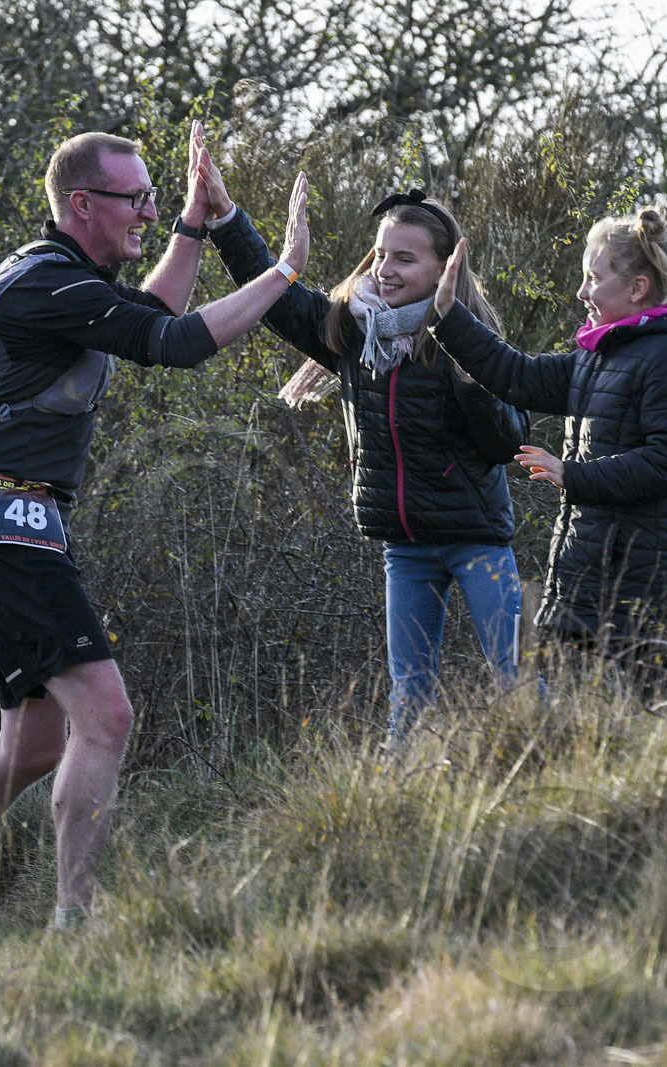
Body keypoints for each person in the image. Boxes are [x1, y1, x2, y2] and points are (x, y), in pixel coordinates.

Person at [0, 124, 311, 928]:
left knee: (30, 746)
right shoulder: (51, 287)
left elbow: (150, 316)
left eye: (153, 198)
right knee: (107, 716)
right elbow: (175, 342)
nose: (147, 212)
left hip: (0, 514)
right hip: (4, 513)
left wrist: (192, 224)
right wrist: (286, 271)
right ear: (84, 204)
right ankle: (75, 926)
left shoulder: (59, 279)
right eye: (136, 199)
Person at [198, 161, 530, 744]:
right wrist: (225, 218)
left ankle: (555, 764)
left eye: (405, 258)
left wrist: (471, 381)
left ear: (444, 268)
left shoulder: (471, 338)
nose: (385, 268)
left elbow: (508, 441)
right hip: (405, 546)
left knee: (515, 675)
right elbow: (273, 298)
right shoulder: (355, 332)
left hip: (476, 539)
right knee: (410, 690)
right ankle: (399, 786)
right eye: (380, 254)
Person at [429, 199, 667, 695]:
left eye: (593, 279)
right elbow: (518, 375)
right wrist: (449, 316)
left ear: (637, 288)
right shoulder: (599, 354)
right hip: (591, 565)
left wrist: (573, 475)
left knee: (649, 705)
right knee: (584, 713)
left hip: (643, 571)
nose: (581, 292)